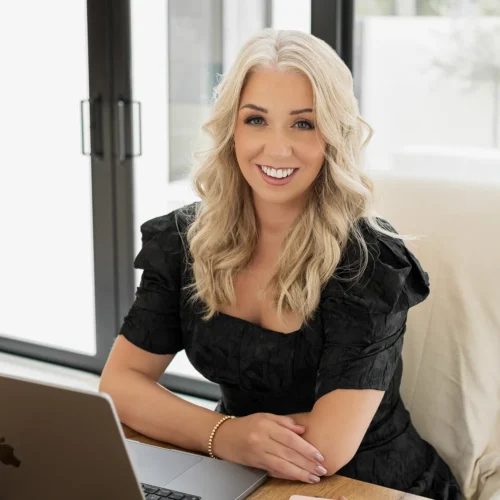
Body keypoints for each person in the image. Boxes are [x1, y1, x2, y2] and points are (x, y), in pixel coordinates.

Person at [99, 29, 462, 499]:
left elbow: (328, 447)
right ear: (231, 128)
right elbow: (120, 384)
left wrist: (210, 430)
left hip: (369, 484)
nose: (276, 148)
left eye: (303, 124)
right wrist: (224, 435)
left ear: (333, 134)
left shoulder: (369, 263)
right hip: (237, 468)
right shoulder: (183, 241)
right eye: (256, 120)